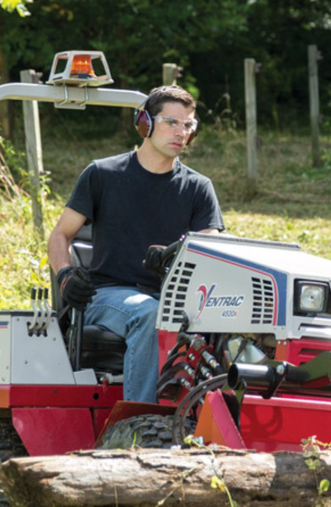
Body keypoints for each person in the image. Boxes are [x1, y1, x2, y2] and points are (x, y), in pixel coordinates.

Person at [47, 85, 224, 403]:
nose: (181, 132)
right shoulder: (102, 174)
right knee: (150, 314)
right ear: (145, 124)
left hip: (176, 300)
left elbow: (211, 249)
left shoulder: (199, 188)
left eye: (188, 125)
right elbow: (61, 235)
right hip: (107, 295)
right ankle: (140, 423)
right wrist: (64, 275)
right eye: (172, 122)